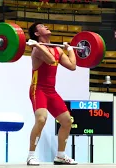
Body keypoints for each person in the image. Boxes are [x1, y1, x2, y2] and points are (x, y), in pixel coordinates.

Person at [26, 22, 77, 165]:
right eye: (42, 26)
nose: (46, 26)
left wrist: (70, 49)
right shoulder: (37, 50)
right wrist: (36, 45)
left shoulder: (58, 50)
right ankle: (31, 155)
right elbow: (49, 60)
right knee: (41, 119)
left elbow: (72, 66)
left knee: (67, 121)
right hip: (38, 89)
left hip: (51, 91)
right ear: (36, 34)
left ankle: (60, 155)